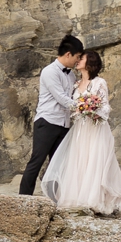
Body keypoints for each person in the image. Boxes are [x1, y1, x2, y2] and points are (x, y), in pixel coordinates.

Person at [40, 49, 121, 217]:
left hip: (96, 128)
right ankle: (81, 199)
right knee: (80, 161)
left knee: (100, 163)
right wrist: (82, 109)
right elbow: (72, 106)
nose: (78, 61)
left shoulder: (99, 82)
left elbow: (106, 107)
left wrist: (93, 110)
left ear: (90, 62)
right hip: (80, 130)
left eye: (81, 58)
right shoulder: (75, 84)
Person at [18, 35, 84, 196]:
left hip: (64, 124)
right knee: (37, 160)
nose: (78, 61)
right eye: (77, 57)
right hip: (47, 122)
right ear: (68, 54)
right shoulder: (49, 71)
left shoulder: (71, 75)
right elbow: (61, 97)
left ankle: (54, 198)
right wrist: (83, 107)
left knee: (59, 165)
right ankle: (23, 198)